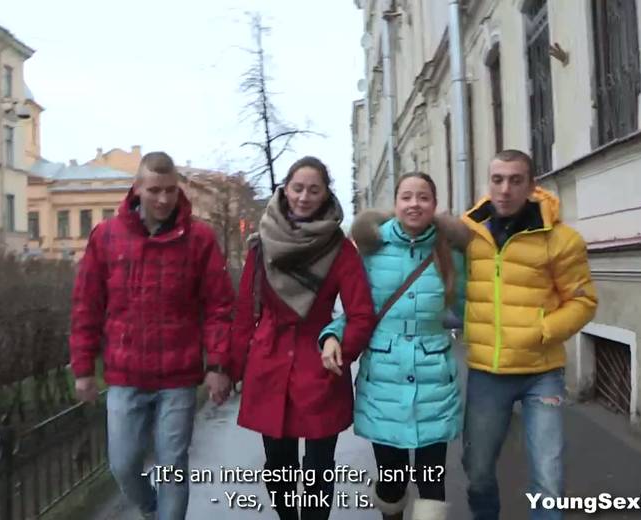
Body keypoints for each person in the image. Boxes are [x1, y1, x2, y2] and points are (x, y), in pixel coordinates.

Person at [69, 151, 235, 520]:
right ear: (138, 189)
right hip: (125, 376)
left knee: (172, 465)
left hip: (178, 378)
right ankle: (152, 509)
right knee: (123, 465)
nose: (163, 199)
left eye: (170, 190)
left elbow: (219, 306)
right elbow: (86, 305)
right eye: (154, 190)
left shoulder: (199, 239)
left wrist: (218, 365)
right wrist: (83, 369)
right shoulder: (107, 237)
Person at [228, 156, 377, 520]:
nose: (304, 197)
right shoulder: (261, 245)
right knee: (278, 469)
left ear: (326, 194)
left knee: (318, 469)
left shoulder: (340, 249)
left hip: (319, 365)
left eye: (314, 190)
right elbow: (245, 313)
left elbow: (361, 313)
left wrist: (341, 349)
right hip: (269, 363)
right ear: (285, 189)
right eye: (297, 188)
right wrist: (230, 369)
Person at [319, 172, 473, 520]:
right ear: (396, 203)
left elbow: (471, 307)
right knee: (392, 480)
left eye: (423, 197)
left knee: (431, 479)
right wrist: (331, 335)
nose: (414, 204)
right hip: (383, 379)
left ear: (434, 205)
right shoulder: (371, 250)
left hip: (434, 379)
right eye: (407, 197)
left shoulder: (450, 253)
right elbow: (357, 310)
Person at [459, 150, 598, 520]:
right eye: (497, 179)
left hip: (542, 372)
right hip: (487, 372)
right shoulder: (468, 235)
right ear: (488, 183)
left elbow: (583, 301)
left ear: (532, 185)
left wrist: (541, 332)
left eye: (515, 180)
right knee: (477, 470)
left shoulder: (561, 239)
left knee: (549, 476)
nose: (505, 189)